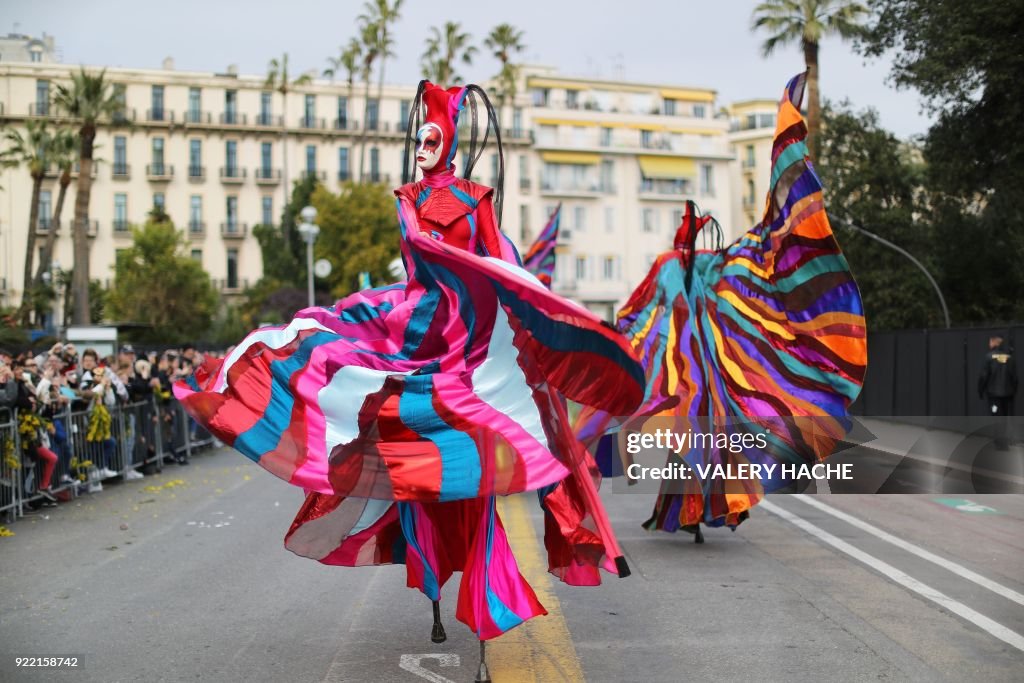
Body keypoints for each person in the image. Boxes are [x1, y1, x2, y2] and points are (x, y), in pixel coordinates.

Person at [175, 80, 644, 679]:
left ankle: (482, 609)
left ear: (448, 143)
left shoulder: (467, 200)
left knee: (468, 495)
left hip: (460, 342)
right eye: (419, 137)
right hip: (419, 328)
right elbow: (458, 266)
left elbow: (491, 261)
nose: (421, 146)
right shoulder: (413, 196)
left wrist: (521, 318)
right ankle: (444, 597)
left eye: (431, 137)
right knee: (329, 341)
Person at [576, 73, 867, 543]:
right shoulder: (710, 263)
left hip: (694, 378)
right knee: (708, 444)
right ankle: (701, 509)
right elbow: (751, 263)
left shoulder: (688, 263)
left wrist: (618, 340)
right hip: (703, 379)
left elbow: (636, 313)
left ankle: (695, 509)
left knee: (700, 445)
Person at [979, 335, 1017, 448]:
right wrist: (1013, 390)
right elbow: (1014, 377)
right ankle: (1002, 441)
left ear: (994, 343)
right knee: (1004, 417)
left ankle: (1000, 443)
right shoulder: (1009, 357)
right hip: (1007, 394)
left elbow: (983, 376)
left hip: (994, 395)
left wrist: (980, 390)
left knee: (996, 417)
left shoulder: (989, 357)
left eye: (990, 342)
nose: (989, 344)